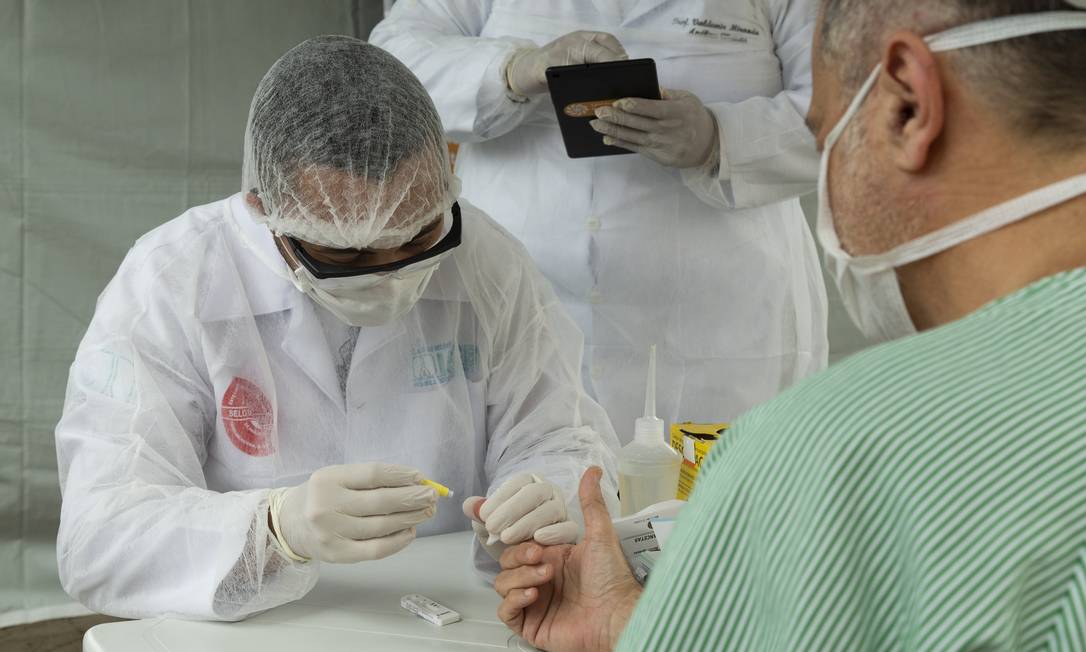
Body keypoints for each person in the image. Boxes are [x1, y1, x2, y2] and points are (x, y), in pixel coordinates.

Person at [492, 2, 1086, 649]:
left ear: (908, 104)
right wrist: (628, 622)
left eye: (825, 132)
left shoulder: (833, 456)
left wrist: (662, 635)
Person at [53, 36, 619, 622]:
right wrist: (273, 529)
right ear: (260, 206)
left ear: (447, 176)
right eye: (345, 258)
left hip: (452, 618)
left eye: (418, 240)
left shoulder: (486, 258)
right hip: (248, 630)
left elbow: (561, 434)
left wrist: (545, 504)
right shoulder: (172, 280)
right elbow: (99, 538)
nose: (388, 280)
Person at [369, 0, 829, 439]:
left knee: (728, 505)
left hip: (723, 328)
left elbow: (851, 115)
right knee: (533, 498)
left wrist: (718, 138)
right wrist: (513, 69)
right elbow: (388, 67)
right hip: (524, 309)